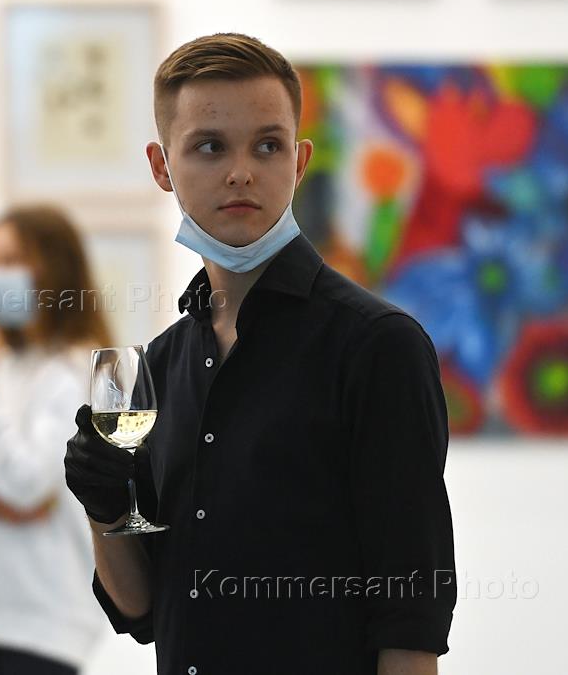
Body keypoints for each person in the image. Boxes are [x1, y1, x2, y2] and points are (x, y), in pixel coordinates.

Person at [63, 34, 457, 675]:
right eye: (210, 147)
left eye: (268, 146)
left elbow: (410, 619)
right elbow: (141, 608)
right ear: (161, 166)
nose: (241, 172)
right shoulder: (158, 365)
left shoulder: (377, 347)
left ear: (300, 162)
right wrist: (103, 506)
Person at [0, 206, 113, 675]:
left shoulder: (75, 370)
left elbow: (25, 486)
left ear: (54, 268)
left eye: (12, 260)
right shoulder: (7, 363)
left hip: (44, 619)